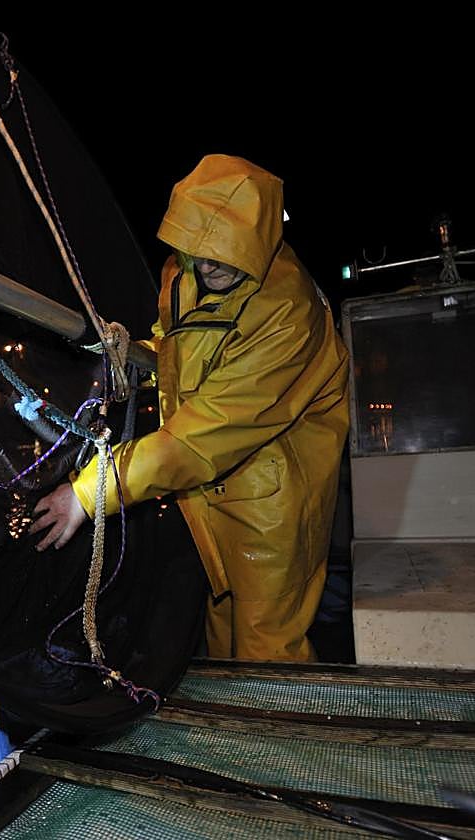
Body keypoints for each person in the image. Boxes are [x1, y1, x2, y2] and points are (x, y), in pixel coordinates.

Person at [30, 154, 350, 662]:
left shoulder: (289, 315)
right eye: (195, 249)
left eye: (219, 254)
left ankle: (287, 741)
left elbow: (202, 435)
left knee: (269, 648)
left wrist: (89, 494)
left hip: (274, 503)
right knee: (223, 630)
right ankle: (233, 736)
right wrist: (133, 355)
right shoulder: (185, 272)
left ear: (257, 241)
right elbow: (180, 351)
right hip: (207, 492)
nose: (204, 265)